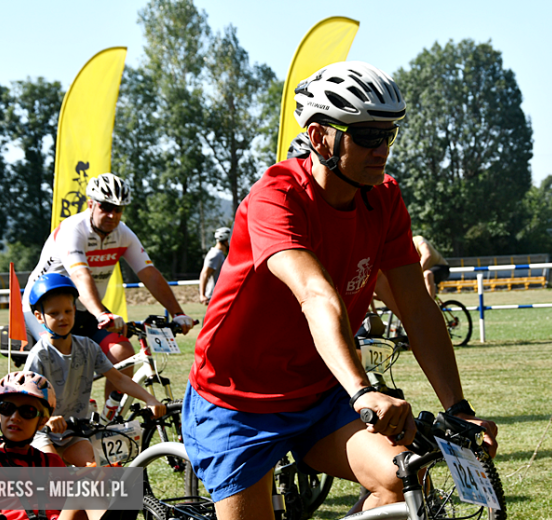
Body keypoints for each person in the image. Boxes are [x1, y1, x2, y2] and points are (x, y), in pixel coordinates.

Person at [182, 60, 498, 519]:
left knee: (402, 479)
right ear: (319, 137)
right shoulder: (277, 196)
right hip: (239, 399)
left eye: (388, 134)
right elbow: (315, 294)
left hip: (319, 395)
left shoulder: (385, 198)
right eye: (367, 135)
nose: (382, 149)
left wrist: (459, 408)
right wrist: (362, 390)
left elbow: (416, 306)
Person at [22, 173, 195, 402]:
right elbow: (79, 276)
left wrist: (178, 312)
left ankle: (111, 424)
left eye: (119, 209)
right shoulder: (73, 230)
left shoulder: (122, 234)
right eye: (106, 207)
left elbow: (149, 275)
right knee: (59, 360)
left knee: (122, 354)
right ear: (90, 204)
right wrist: (102, 314)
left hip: (86, 311)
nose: (112, 215)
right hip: (47, 310)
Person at [24, 273, 166, 468]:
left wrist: (149, 398)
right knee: (54, 476)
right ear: (39, 316)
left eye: (67, 310)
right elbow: (27, 401)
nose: (63, 317)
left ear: (75, 310)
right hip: (43, 433)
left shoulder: (88, 347)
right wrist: (47, 419)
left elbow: (119, 379)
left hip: (74, 434)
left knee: (100, 471)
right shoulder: (39, 355)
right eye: (54, 313)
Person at [0, 371, 86, 520]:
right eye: (6, 408)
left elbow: (70, 506)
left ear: (43, 421)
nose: (14, 417)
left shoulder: (51, 463)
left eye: (27, 411)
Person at [372, 235, 450, 318]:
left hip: (441, 267)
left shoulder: (418, 240)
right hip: (424, 271)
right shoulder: (401, 250)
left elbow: (427, 255)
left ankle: (429, 309)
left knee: (427, 274)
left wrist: (416, 273)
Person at [198, 227, 230, 305]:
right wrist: (202, 295)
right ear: (226, 241)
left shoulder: (220, 254)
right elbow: (204, 274)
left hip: (219, 296)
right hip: (214, 297)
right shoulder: (215, 254)